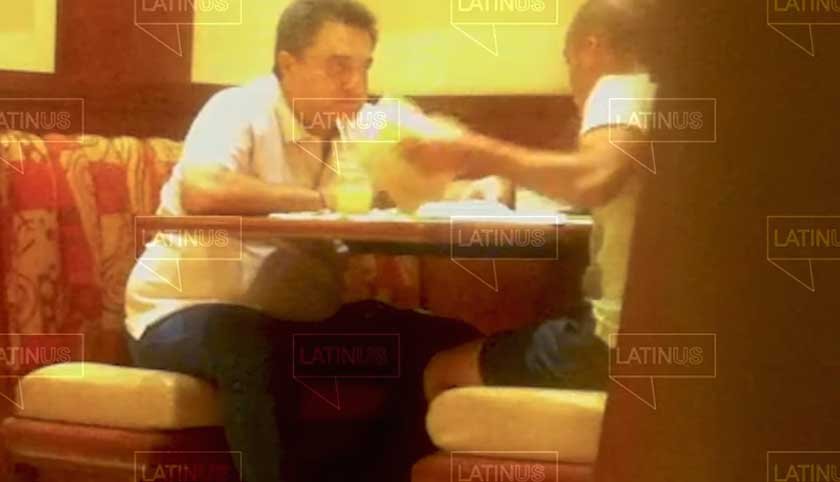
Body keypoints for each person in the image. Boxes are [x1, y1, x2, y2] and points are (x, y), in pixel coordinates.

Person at [123, 1, 479, 481]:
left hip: (295, 324)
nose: (355, 84)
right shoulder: (239, 108)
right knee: (249, 346)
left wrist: (479, 185)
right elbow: (203, 191)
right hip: (181, 315)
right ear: (288, 65)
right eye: (338, 66)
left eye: (364, 67)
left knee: (443, 343)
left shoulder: (360, 129)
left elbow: (420, 186)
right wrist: (319, 199)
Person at [405, 0, 658, 399]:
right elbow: (604, 190)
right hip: (675, 340)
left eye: (568, 62)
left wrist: (473, 151)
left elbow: (594, 178)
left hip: (611, 348)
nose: (571, 83)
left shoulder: (620, 87)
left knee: (441, 370)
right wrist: (512, 185)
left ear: (590, 47)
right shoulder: (678, 98)